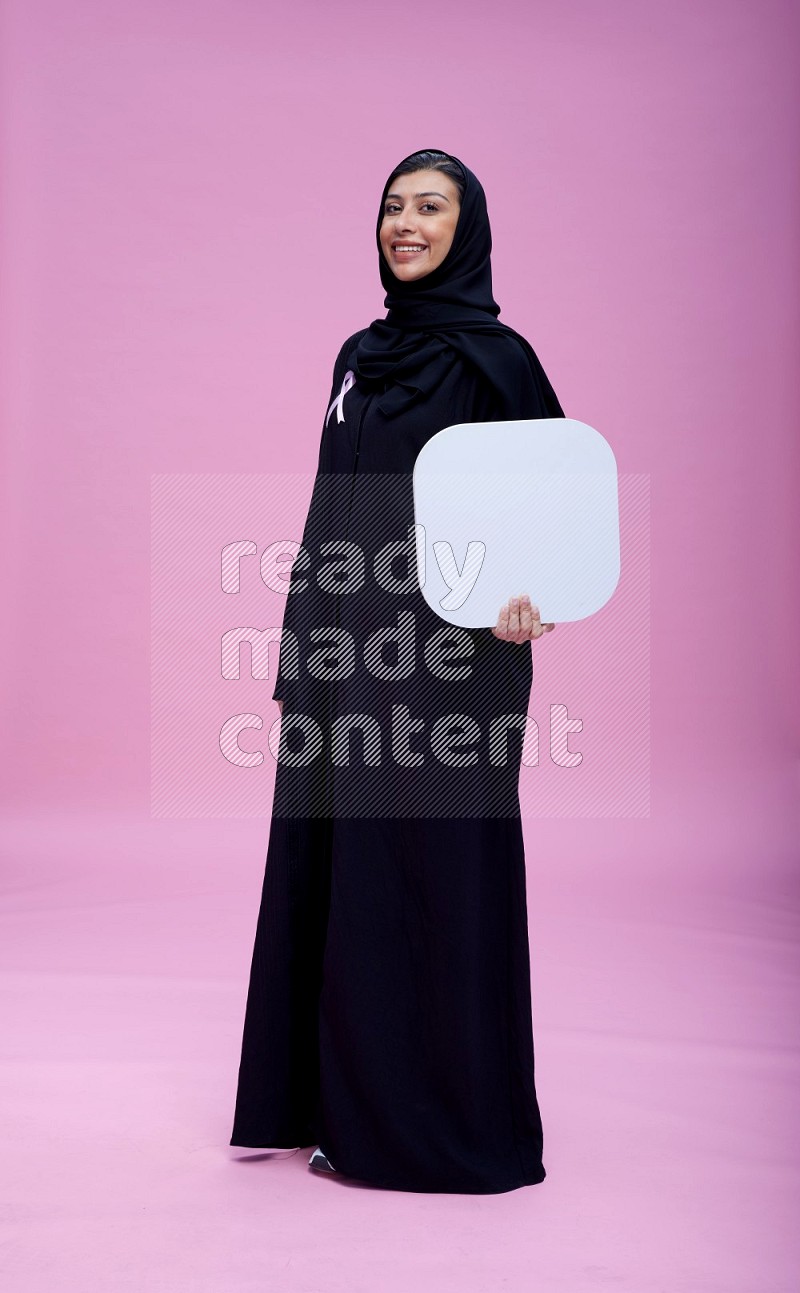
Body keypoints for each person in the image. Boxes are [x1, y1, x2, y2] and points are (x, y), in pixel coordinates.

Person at [230, 148, 564, 1194]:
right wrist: (302, 644)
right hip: (346, 653)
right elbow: (330, 508)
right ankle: (335, 1108)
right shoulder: (354, 357)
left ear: (465, 230)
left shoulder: (497, 361)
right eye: (391, 207)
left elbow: (549, 506)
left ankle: (445, 1128)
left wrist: (528, 593)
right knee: (344, 878)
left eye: (429, 207)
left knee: (430, 879)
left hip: (452, 665)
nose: (404, 224)